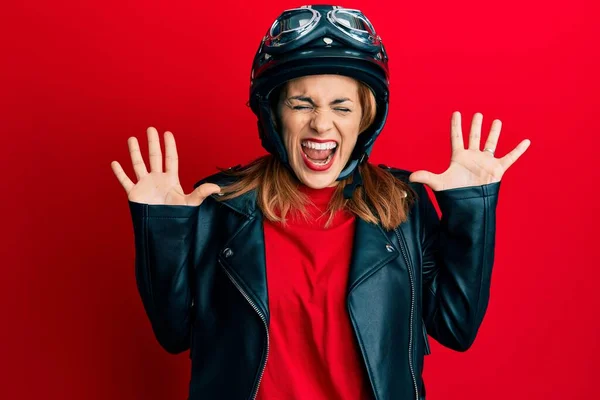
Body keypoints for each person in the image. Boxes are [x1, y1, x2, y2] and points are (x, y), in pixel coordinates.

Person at [110, 4, 530, 400]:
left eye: (341, 107)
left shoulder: (403, 205)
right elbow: (172, 333)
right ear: (274, 114)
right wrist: (161, 226)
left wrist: (470, 209)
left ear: (364, 119)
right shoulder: (220, 204)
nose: (321, 123)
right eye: (302, 104)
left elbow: (456, 328)